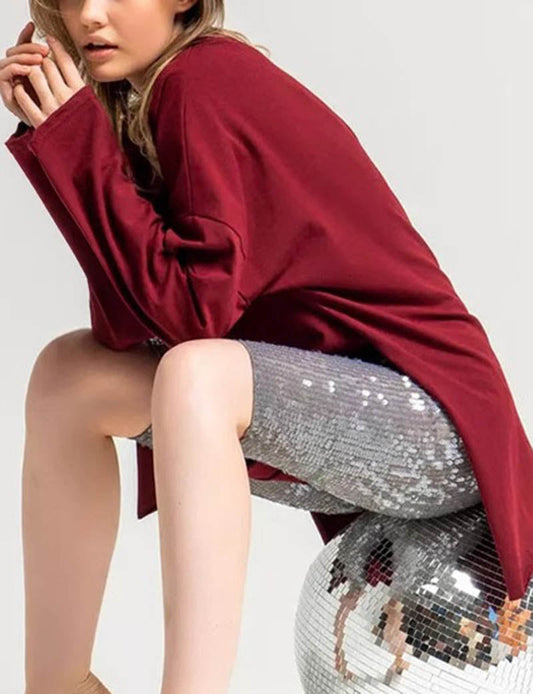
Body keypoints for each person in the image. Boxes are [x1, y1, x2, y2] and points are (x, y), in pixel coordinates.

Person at [1, 2, 532, 693]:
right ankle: (58, 685)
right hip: (342, 413)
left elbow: (192, 319)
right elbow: (128, 326)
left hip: (432, 420)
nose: (90, 16)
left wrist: (76, 143)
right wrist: (64, 138)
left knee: (197, 374)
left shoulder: (202, 80)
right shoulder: (142, 101)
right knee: (70, 376)